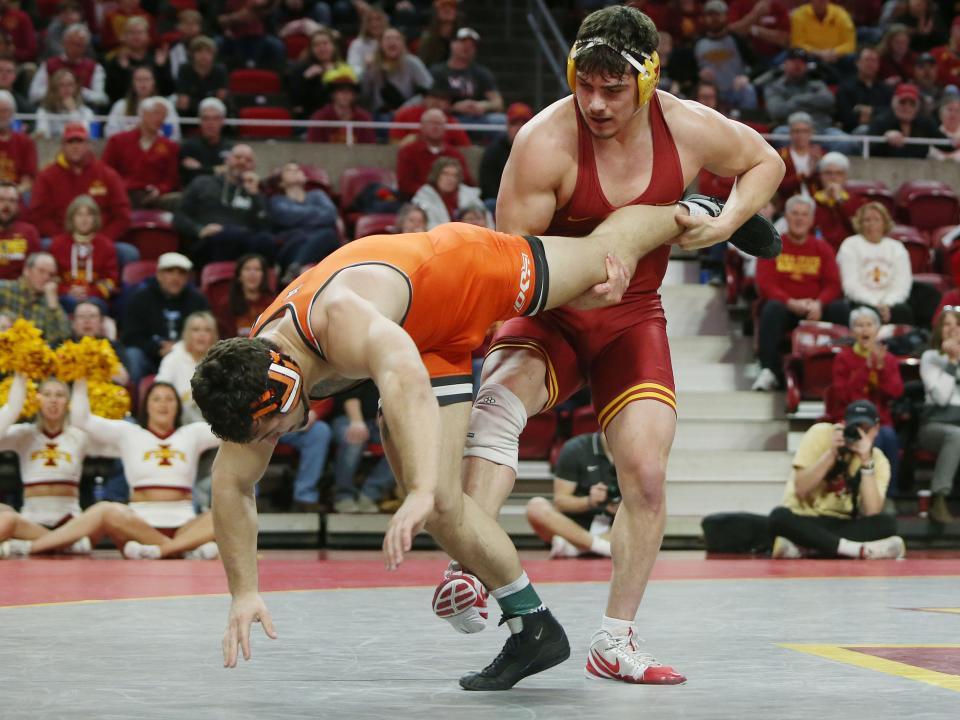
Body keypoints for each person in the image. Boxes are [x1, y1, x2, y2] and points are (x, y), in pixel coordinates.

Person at [190, 191, 780, 683]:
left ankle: (691, 208)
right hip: (424, 343)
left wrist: (417, 484)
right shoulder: (259, 382)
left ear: (283, 383)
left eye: (273, 426)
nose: (275, 439)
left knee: (604, 259)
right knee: (446, 508)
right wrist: (244, 592)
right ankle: (534, 628)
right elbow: (231, 487)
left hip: (466, 272)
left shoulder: (338, 319)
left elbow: (402, 376)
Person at [439, 5, 785, 685]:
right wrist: (574, 283)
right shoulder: (544, 142)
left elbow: (765, 162)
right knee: (498, 407)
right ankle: (470, 566)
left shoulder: (685, 127)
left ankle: (615, 640)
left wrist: (727, 226)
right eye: (584, 85)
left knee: (648, 477)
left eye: (612, 90)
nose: (595, 104)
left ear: (649, 81)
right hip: (552, 308)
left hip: (631, 315)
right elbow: (512, 267)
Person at [1, 379, 221, 559]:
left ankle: (163, 550)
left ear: (178, 405)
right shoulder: (128, 433)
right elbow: (82, 419)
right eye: (156, 399)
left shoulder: (193, 433)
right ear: (145, 405)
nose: (163, 404)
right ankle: (185, 550)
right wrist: (80, 376)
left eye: (169, 399)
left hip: (184, 522)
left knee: (224, 511)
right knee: (107, 510)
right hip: (138, 523)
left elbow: (228, 431)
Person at [767, 399, 905, 559]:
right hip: (807, 518)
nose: (859, 434)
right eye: (855, 427)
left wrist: (866, 460)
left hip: (842, 523)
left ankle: (809, 548)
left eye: (865, 430)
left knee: (887, 524)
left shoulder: (878, 460)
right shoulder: (820, 434)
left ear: (876, 429)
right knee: (779, 517)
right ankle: (855, 551)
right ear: (844, 424)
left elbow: (871, 511)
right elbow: (801, 489)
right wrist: (831, 454)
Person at [753, 195, 845, 392]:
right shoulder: (772, 245)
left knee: (842, 309)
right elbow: (765, 284)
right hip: (786, 308)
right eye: (794, 214)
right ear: (786, 217)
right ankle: (769, 371)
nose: (799, 219)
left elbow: (834, 284)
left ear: (812, 220)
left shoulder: (822, 248)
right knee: (771, 309)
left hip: (815, 309)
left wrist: (819, 303)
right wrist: (790, 302)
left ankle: (843, 369)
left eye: (804, 215)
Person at [0, 375, 92, 554]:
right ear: (37, 399)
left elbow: (87, 419)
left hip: (70, 522)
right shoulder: (23, 434)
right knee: (6, 516)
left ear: (68, 402)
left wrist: (81, 377)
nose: (53, 400)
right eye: (47, 394)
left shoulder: (80, 436)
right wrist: (19, 381)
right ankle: (64, 546)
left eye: (59, 395)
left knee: (103, 512)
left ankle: (36, 546)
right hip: (30, 521)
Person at [830, 307, 903, 494]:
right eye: (859, 325)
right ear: (852, 332)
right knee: (874, 439)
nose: (864, 330)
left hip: (880, 419)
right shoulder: (843, 358)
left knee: (890, 438)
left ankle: (888, 494)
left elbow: (895, 392)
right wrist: (866, 369)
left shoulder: (888, 359)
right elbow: (843, 395)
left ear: (877, 330)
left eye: (869, 325)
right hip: (850, 417)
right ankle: (865, 492)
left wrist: (880, 368)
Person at [27, 123, 131, 242]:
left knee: (128, 253)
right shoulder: (46, 177)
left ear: (88, 145)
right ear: (62, 146)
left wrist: (102, 240)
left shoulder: (108, 175)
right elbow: (38, 216)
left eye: (80, 142)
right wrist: (63, 239)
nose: (75, 147)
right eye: (70, 142)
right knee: (45, 245)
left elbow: (123, 216)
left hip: (100, 240)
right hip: (60, 239)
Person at [174, 144, 275, 266]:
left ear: (253, 167)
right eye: (238, 157)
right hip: (209, 242)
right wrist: (199, 230)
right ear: (227, 160)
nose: (242, 162)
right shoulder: (203, 182)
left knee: (266, 240)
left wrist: (255, 195)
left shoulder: (256, 192)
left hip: (244, 244)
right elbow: (179, 216)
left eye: (248, 160)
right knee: (228, 235)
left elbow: (266, 226)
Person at [526, 431, 618, 559]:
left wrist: (624, 506)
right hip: (572, 527)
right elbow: (561, 502)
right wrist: (589, 501)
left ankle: (576, 548)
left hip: (614, 528)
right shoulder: (576, 448)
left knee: (647, 518)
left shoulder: (639, 453)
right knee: (535, 508)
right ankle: (604, 547)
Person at [121, 251, 209, 384]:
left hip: (187, 358)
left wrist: (178, 348)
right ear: (159, 275)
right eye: (170, 272)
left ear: (187, 278)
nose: (175, 277)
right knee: (133, 354)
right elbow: (131, 337)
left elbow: (208, 332)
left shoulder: (197, 300)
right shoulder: (140, 298)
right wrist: (158, 349)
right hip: (150, 357)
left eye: (181, 273)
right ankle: (133, 398)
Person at [835, 202, 913, 325]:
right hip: (860, 301)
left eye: (877, 220)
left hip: (891, 305)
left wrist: (887, 304)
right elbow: (850, 284)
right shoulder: (850, 245)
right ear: (860, 223)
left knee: (904, 311)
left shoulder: (897, 248)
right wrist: (875, 304)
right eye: (867, 220)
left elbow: (902, 284)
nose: (872, 224)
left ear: (885, 223)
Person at [917, 307, 960, 524]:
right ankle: (938, 499)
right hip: (934, 426)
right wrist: (952, 362)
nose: (953, 329)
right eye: (947, 324)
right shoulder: (931, 358)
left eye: (957, 324)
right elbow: (942, 397)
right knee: (956, 435)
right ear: (939, 329)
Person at [102, 97, 180, 209]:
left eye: (164, 115)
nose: (160, 119)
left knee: (178, 200)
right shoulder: (118, 141)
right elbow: (106, 171)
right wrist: (118, 188)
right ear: (143, 113)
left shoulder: (170, 147)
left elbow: (171, 179)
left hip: (154, 196)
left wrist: (159, 190)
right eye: (156, 113)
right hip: (124, 193)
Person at [330, 382, 395, 514]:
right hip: (347, 417)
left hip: (377, 420)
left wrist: (385, 414)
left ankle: (370, 493)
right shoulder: (356, 363)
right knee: (354, 438)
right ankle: (343, 495)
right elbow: (348, 394)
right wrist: (357, 421)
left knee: (401, 444)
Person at [49, 194, 119, 313]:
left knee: (93, 307)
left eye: (89, 214)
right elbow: (51, 278)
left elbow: (111, 281)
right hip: (66, 298)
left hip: (95, 300)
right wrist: (67, 291)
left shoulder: (106, 245)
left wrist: (90, 293)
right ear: (71, 218)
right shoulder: (57, 244)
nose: (84, 219)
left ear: (95, 218)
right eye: (79, 214)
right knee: (66, 302)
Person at [268, 162, 340, 271]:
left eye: (297, 169)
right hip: (292, 245)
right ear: (281, 183)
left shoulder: (318, 194)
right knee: (317, 234)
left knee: (328, 234)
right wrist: (317, 217)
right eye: (289, 170)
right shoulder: (277, 200)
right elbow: (286, 217)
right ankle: (296, 267)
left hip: (321, 243)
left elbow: (330, 214)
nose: (296, 171)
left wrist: (300, 220)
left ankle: (296, 267)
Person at [429, 28, 505, 127]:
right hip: (446, 118)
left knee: (502, 121)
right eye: (463, 42)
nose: (467, 47)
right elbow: (429, 103)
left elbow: (498, 102)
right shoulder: (438, 71)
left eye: (472, 45)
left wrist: (483, 106)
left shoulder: (481, 73)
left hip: (476, 119)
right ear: (452, 44)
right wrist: (454, 107)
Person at [693, 1, 759, 114]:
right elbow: (688, 70)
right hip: (710, 92)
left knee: (748, 89)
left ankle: (749, 122)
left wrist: (747, 77)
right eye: (710, 15)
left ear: (726, 16)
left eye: (717, 15)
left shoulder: (737, 40)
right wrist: (698, 75)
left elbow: (758, 64)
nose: (714, 19)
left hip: (734, 90)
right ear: (704, 18)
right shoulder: (697, 43)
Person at [396, 108, 473, 199]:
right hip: (418, 200)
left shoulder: (454, 154)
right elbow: (405, 184)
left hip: (451, 200)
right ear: (422, 126)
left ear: (445, 127)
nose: (435, 127)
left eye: (439, 123)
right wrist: (432, 193)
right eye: (431, 123)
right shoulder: (408, 152)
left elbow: (466, 181)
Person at [157, 310, 219, 423]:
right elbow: (160, 391)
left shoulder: (220, 362)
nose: (201, 334)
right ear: (186, 334)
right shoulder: (172, 359)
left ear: (214, 335)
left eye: (207, 330)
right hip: (179, 424)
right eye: (196, 330)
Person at [29, 24, 109, 110]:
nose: (74, 48)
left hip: (82, 112)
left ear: (85, 47)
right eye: (72, 43)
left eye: (79, 45)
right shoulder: (49, 64)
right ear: (64, 43)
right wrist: (56, 92)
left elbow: (102, 98)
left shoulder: (94, 67)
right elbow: (33, 94)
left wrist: (77, 92)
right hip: (52, 110)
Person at [360, 27, 433, 117]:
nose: (392, 42)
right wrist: (367, 71)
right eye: (388, 39)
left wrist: (405, 109)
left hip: (406, 113)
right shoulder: (373, 65)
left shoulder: (412, 62)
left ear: (402, 43)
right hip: (378, 115)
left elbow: (429, 91)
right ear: (380, 44)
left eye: (397, 38)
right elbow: (364, 95)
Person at [0, 252, 71, 344]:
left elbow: (62, 339)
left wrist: (53, 305)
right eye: (41, 271)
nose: (46, 277)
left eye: (51, 274)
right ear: (26, 270)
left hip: (33, 354)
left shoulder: (49, 301)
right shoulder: (4, 289)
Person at [104, 16, 173, 104]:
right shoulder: (114, 60)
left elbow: (168, 91)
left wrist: (161, 68)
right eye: (132, 33)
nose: (136, 36)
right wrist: (122, 70)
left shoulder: (158, 59)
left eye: (140, 32)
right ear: (124, 37)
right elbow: (111, 94)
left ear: (148, 36)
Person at [286, 27, 351, 118]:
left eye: (325, 43)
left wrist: (333, 76)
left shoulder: (344, 69)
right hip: (310, 120)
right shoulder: (300, 70)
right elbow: (295, 103)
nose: (321, 48)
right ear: (311, 49)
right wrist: (306, 78)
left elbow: (350, 100)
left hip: (339, 119)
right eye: (316, 45)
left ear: (334, 46)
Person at [867, 82, 944, 158]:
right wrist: (885, 136)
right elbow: (868, 149)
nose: (907, 107)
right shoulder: (881, 121)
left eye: (912, 103)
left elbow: (946, 145)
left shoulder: (925, 123)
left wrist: (955, 140)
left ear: (917, 106)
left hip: (919, 168)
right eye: (902, 102)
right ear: (894, 103)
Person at [106, 66, 182, 141]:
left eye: (147, 79)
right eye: (138, 80)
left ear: (154, 82)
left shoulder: (165, 105)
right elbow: (110, 133)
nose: (143, 83)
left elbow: (174, 134)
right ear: (132, 83)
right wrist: (133, 132)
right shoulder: (120, 105)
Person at [411, 157, 486, 229]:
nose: (450, 179)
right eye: (445, 174)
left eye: (454, 175)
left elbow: (486, 220)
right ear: (436, 175)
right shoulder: (424, 197)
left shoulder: (469, 195)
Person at [210, 253, 273, 339]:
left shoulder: (272, 303)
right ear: (239, 276)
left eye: (257, 269)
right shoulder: (226, 305)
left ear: (263, 276)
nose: (252, 273)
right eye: (247, 269)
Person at [305, 68, 376, 144]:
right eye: (341, 90)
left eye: (349, 90)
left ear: (354, 95)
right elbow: (313, 149)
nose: (345, 94)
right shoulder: (319, 118)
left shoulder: (364, 118)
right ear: (333, 94)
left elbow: (369, 148)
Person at [480, 103, 532, 205]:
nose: (519, 128)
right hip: (501, 201)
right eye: (514, 124)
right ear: (507, 127)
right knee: (490, 203)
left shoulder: (541, 149)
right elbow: (488, 187)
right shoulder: (494, 151)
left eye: (524, 123)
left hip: (532, 200)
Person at [812, 151, 865, 251]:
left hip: (849, 251)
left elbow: (857, 227)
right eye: (828, 173)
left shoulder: (856, 201)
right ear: (821, 176)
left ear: (845, 177)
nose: (833, 177)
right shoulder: (812, 201)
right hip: (818, 250)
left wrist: (839, 200)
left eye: (838, 173)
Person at [389, 83, 471, 147]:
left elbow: (466, 149)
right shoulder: (406, 114)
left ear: (448, 104)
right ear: (425, 98)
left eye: (442, 98)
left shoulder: (452, 124)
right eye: (433, 96)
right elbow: (393, 145)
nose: (436, 101)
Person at [836, 47, 893, 134]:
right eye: (867, 60)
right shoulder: (845, 87)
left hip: (883, 132)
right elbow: (845, 117)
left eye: (874, 61)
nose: (870, 64)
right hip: (852, 133)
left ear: (878, 65)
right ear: (857, 63)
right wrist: (875, 115)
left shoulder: (885, 89)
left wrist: (871, 110)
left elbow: (891, 112)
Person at [179, 97, 234, 187]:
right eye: (206, 118)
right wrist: (216, 170)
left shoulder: (230, 148)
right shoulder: (188, 147)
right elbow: (190, 177)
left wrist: (200, 168)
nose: (210, 123)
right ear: (200, 121)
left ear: (222, 121)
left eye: (215, 118)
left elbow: (230, 175)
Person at [174, 35, 230, 119]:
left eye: (208, 52)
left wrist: (193, 102)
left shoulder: (220, 70)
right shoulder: (185, 70)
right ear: (192, 54)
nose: (204, 55)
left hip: (214, 114)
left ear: (213, 55)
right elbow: (183, 103)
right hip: (190, 115)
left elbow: (220, 101)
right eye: (199, 51)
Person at [788, 0, 856, 68]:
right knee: (796, 55)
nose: (821, 1)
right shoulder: (799, 15)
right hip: (810, 57)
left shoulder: (841, 14)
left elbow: (850, 44)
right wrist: (818, 53)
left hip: (836, 57)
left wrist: (834, 52)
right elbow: (797, 43)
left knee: (852, 58)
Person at [34, 68, 96, 139]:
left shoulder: (86, 112)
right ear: (54, 88)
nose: (66, 88)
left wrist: (73, 111)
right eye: (61, 85)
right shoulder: (44, 111)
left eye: (70, 84)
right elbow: (43, 135)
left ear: (76, 87)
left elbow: (83, 135)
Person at [776, 111, 823, 201]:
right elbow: (779, 186)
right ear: (790, 133)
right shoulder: (780, 155)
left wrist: (817, 168)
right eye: (796, 131)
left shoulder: (820, 153)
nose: (801, 135)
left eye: (805, 131)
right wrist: (802, 176)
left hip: (816, 203)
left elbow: (823, 183)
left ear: (811, 132)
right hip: (789, 203)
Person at [0, 181, 40, 280]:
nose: (6, 205)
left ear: (18, 205)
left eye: (12, 201)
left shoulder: (29, 232)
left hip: (18, 290)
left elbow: (35, 269)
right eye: (1, 200)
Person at [0, 91, 37, 194]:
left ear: (12, 113)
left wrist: (11, 194)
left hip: (15, 196)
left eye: (5, 111)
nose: (2, 115)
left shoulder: (25, 142)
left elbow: (28, 181)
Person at [346, 6, 387, 79]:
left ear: (384, 21)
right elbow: (352, 69)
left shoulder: (393, 39)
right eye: (370, 20)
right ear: (365, 24)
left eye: (378, 19)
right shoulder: (357, 44)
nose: (374, 23)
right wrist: (366, 67)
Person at [417, 0, 460, 68]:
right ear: (436, 12)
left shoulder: (461, 37)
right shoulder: (428, 38)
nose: (447, 9)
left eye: (451, 7)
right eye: (443, 7)